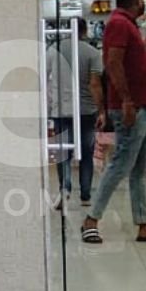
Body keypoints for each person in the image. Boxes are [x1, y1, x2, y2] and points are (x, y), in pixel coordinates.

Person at [81, 0, 146, 245]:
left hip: (144, 107)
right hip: (133, 108)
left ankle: (145, 223)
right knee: (121, 164)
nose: (145, 1)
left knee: (139, 169)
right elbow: (113, 63)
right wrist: (126, 101)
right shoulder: (119, 24)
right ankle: (91, 219)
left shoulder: (127, 24)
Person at [44, 26, 103, 207]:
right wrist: (101, 110)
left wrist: (48, 103)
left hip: (61, 109)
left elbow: (44, 77)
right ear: (85, 31)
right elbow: (95, 84)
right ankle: (85, 195)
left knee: (63, 152)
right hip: (87, 110)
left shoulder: (54, 49)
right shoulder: (93, 52)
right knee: (86, 152)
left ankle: (65, 190)